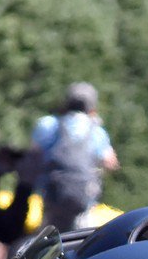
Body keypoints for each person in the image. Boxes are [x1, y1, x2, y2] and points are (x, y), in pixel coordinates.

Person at [31, 82, 119, 231]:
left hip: (51, 195)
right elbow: (110, 162)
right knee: (78, 239)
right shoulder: (96, 130)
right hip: (83, 198)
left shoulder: (48, 124)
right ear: (92, 106)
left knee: (48, 236)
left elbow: (33, 154)